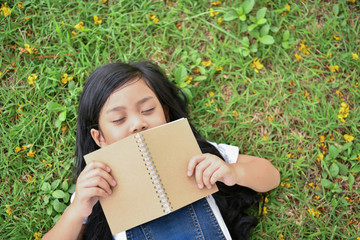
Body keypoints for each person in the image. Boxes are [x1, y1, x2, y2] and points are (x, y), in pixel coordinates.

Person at [43, 61, 280, 240]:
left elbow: (271, 176)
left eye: (147, 110)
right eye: (118, 119)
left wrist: (233, 172)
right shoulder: (96, 187)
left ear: (166, 114)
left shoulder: (196, 153)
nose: (137, 123)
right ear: (100, 138)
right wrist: (78, 209)